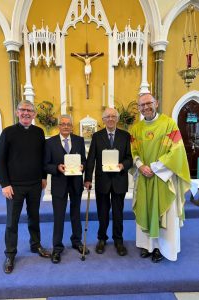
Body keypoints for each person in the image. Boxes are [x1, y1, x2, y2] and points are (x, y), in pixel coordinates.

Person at [130, 93, 191, 262]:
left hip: (163, 178)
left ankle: (161, 248)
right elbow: (133, 151)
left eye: (148, 103)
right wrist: (141, 165)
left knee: (163, 213)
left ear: (156, 103)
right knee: (146, 209)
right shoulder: (136, 128)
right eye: (141, 105)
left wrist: (155, 168)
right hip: (144, 177)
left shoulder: (169, 124)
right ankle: (148, 246)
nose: (145, 107)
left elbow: (177, 151)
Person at [0, 100, 50, 274]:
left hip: (35, 184)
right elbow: (1, 160)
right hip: (14, 187)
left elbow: (43, 157)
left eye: (29, 110)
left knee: (34, 217)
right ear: (17, 112)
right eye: (23, 110)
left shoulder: (39, 132)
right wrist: (5, 184)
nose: (26, 113)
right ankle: (10, 254)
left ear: (34, 114)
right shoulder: (8, 132)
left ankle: (36, 245)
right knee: (12, 222)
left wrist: (43, 177)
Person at [84, 108, 133, 256]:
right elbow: (91, 159)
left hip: (119, 181)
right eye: (107, 116)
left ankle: (118, 240)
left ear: (117, 119)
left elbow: (130, 158)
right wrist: (87, 179)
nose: (111, 119)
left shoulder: (125, 136)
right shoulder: (97, 136)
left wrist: (122, 165)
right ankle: (102, 239)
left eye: (113, 116)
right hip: (102, 181)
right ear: (103, 119)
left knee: (118, 213)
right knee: (102, 213)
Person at [44, 114, 89, 264]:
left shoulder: (79, 140)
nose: (66, 126)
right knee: (59, 216)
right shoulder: (50, 143)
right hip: (59, 184)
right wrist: (57, 167)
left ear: (72, 126)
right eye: (63, 124)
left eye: (68, 124)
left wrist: (82, 166)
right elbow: (45, 165)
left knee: (76, 214)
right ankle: (57, 248)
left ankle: (76, 241)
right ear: (58, 126)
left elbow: (84, 159)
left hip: (76, 183)